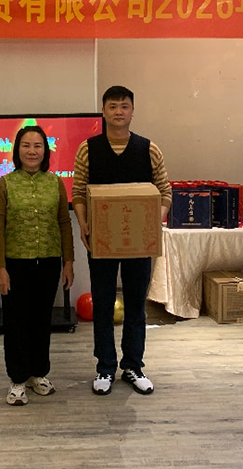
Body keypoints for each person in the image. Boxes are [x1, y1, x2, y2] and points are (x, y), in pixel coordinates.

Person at [72, 86, 172, 396]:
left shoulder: (149, 149)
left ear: (132, 111)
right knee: (102, 304)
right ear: (103, 111)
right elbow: (78, 192)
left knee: (136, 305)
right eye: (113, 106)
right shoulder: (88, 149)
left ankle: (133, 365)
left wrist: (152, 223)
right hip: (101, 240)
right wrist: (84, 223)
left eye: (124, 106)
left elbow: (165, 192)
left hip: (138, 241)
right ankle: (104, 367)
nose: (119, 111)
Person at [0, 126, 75, 406]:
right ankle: (17, 379)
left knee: (41, 320)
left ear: (45, 151)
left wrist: (68, 262)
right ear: (17, 150)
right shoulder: (4, 184)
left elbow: (64, 223)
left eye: (38, 146)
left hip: (49, 262)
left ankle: (38, 373)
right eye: (26, 145)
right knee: (16, 322)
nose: (32, 151)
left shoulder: (55, 183)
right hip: (14, 264)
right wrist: (0, 268)